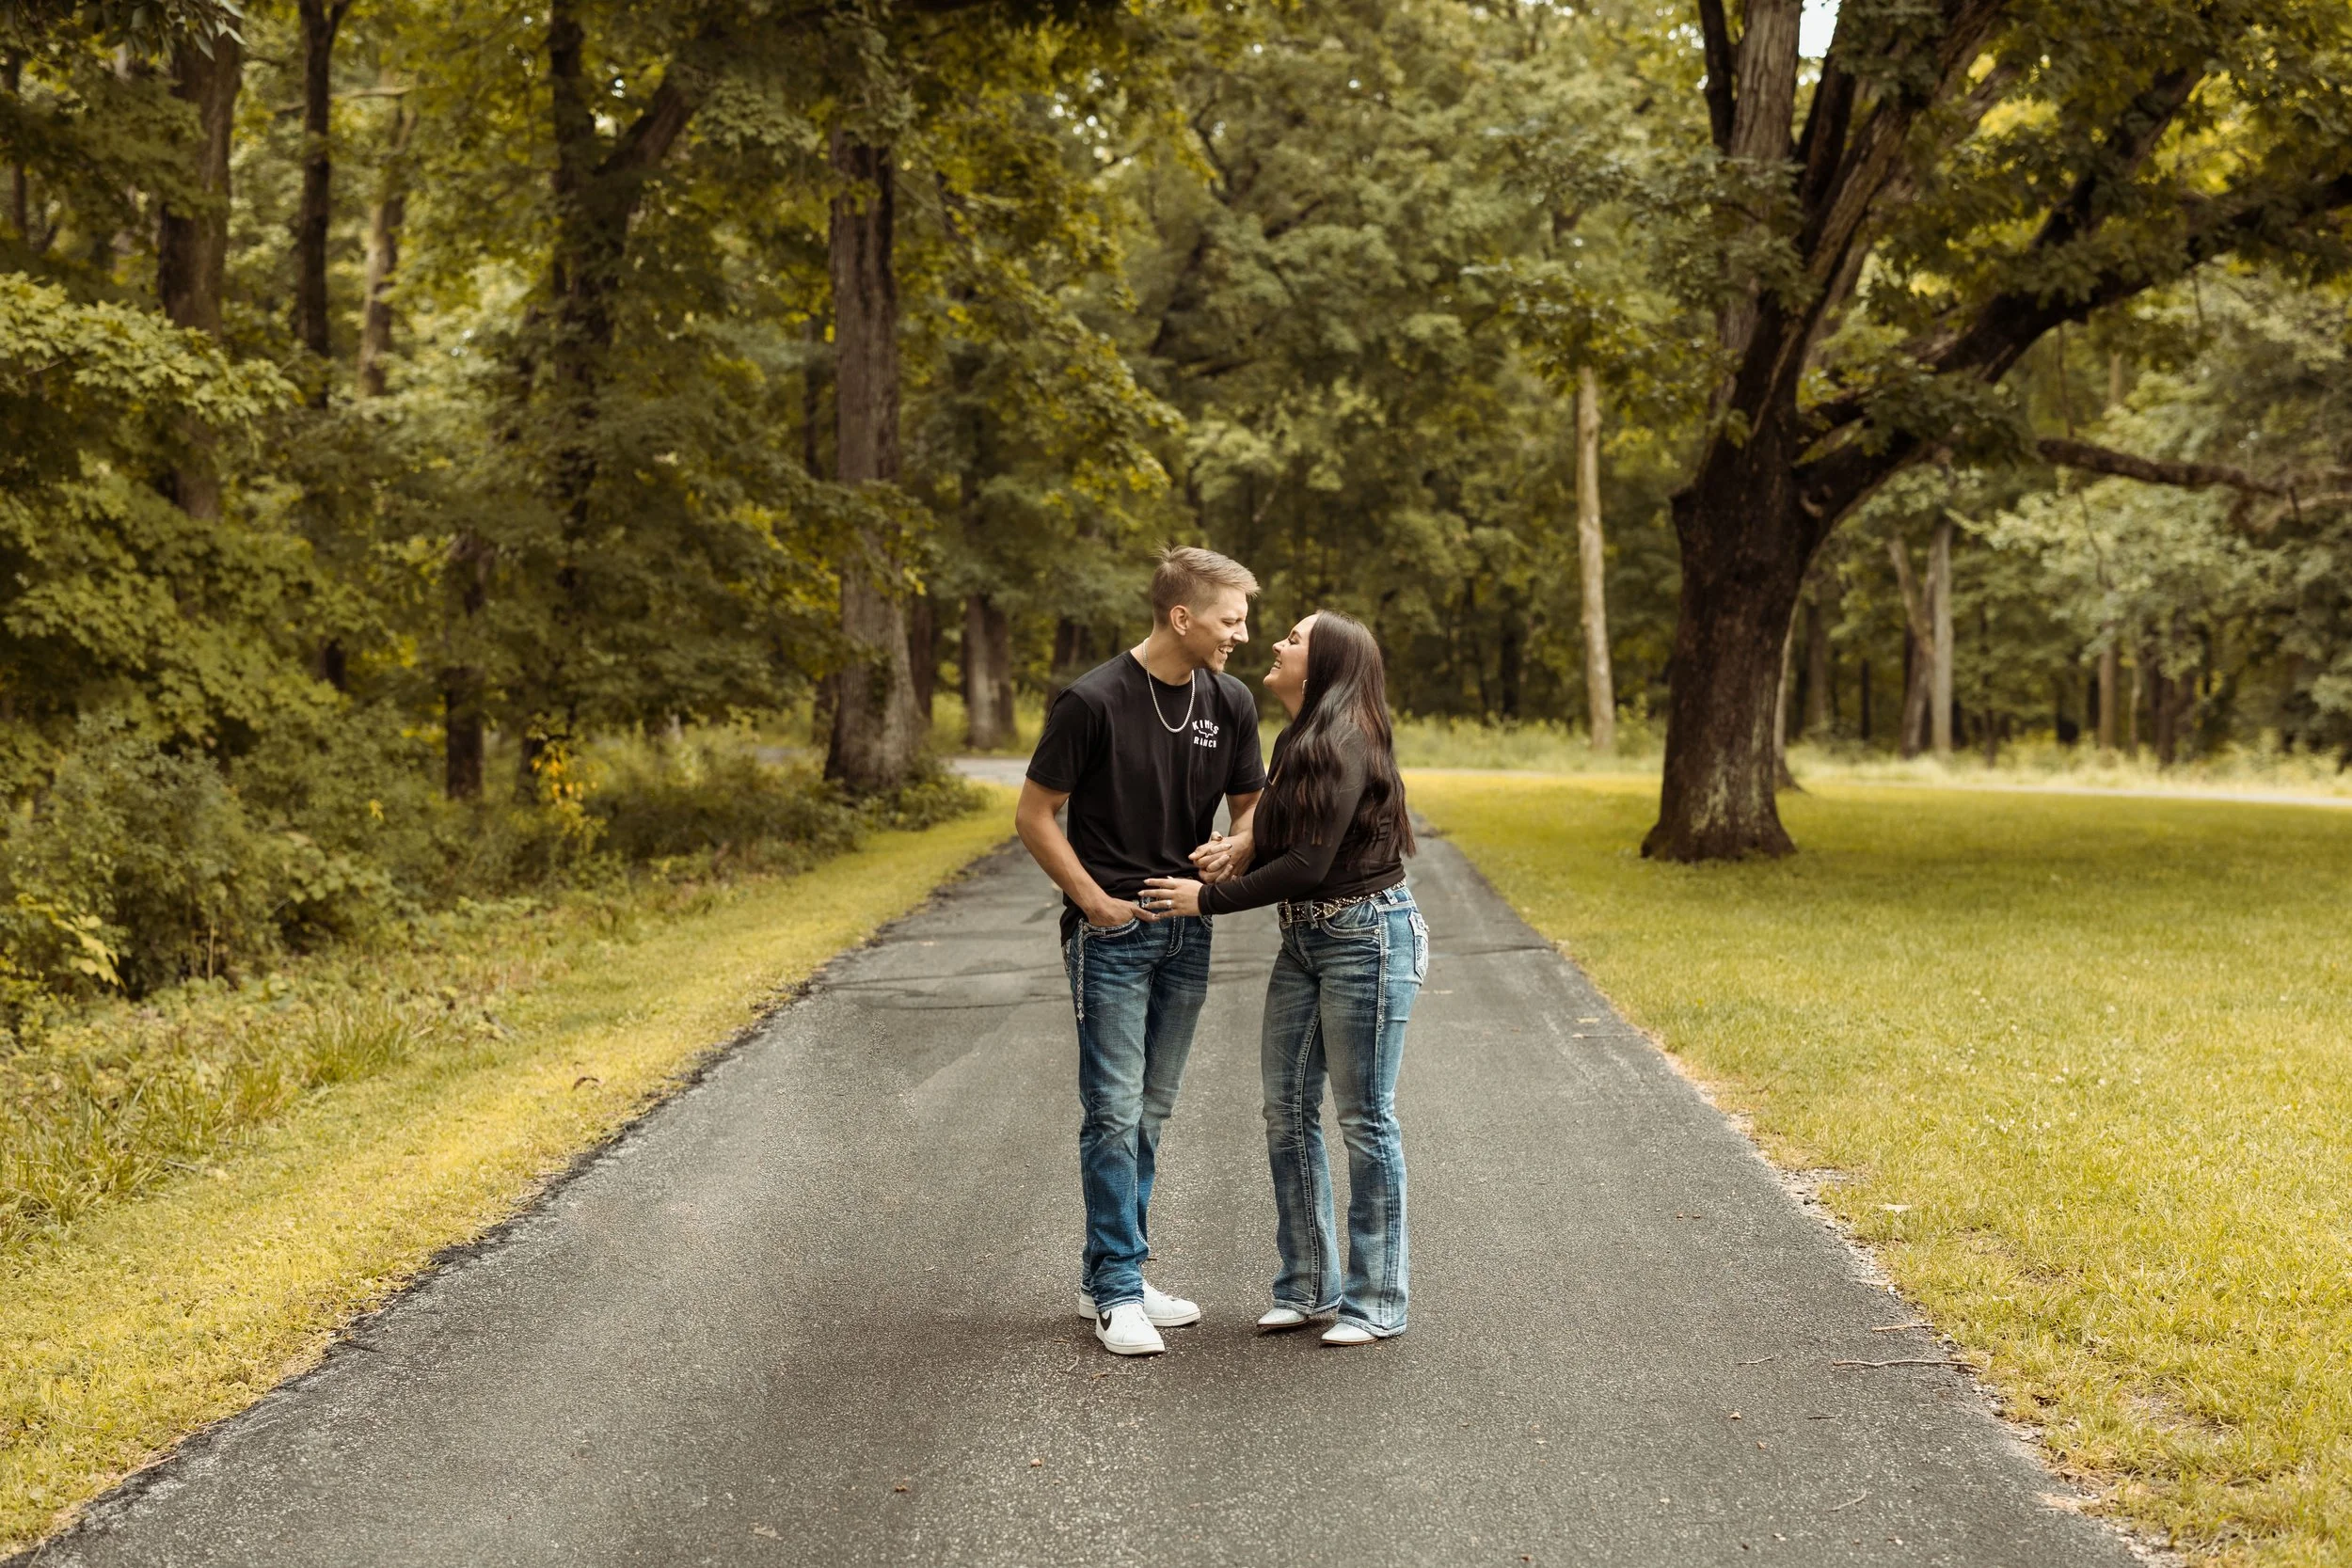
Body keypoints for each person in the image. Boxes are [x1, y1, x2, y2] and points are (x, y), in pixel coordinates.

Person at [1144, 610, 1425, 1347]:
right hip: (1307, 937)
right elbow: (1284, 831)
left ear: (1326, 664)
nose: (1275, 643)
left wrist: (1204, 896)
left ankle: (1378, 1300)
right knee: (1286, 1110)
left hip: (1367, 937)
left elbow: (1305, 863)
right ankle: (1307, 1287)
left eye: (1294, 639)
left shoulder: (1345, 738)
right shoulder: (1299, 737)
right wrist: (1238, 845)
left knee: (1365, 1119)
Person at [1015, 546, 1267, 1356]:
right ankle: (1117, 1290)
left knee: (1150, 1111)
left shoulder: (1228, 701)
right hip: (1113, 937)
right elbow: (1035, 813)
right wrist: (1095, 904)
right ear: (1182, 616)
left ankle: (1115, 1270)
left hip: (1189, 931)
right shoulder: (1091, 701)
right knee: (1114, 1112)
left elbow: (1252, 804)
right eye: (1232, 619)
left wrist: (1237, 848)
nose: (1243, 635)